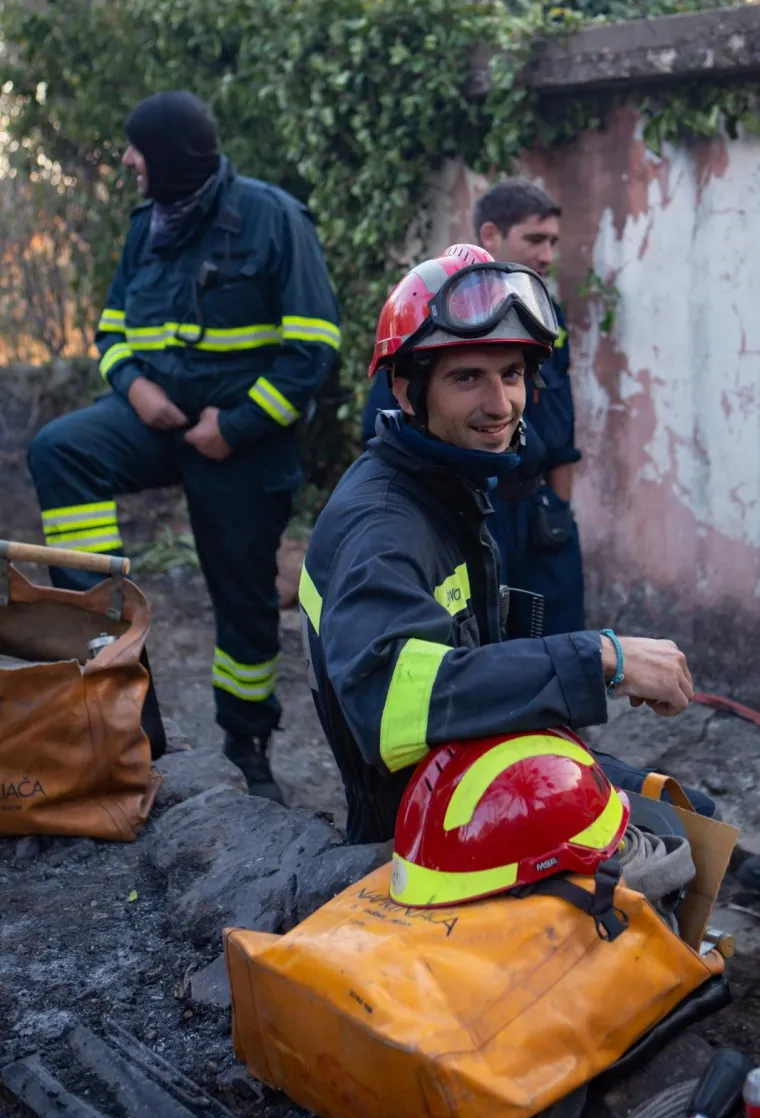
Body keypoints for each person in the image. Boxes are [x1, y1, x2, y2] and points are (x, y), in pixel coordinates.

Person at [300, 248, 714, 844]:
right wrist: (600, 655)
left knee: (690, 815)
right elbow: (390, 705)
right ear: (408, 390)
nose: (499, 405)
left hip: (473, 774)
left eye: (512, 374)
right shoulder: (384, 525)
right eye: (467, 377)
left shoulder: (441, 490)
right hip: (430, 830)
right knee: (677, 842)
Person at [27, 91, 341, 802]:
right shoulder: (149, 224)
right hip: (157, 420)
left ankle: (247, 745)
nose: (130, 160)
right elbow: (111, 328)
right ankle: (117, 673)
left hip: (243, 438)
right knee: (60, 449)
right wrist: (134, 389)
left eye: (138, 148)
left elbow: (314, 346)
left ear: (171, 154)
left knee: (244, 601)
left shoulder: (272, 218)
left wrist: (233, 427)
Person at [361, 179, 583, 634]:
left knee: (557, 643)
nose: (547, 256)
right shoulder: (430, 319)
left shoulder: (545, 318)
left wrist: (559, 510)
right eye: (534, 239)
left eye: (512, 373)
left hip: (537, 516)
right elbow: (388, 436)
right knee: (482, 646)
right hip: (476, 511)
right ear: (490, 236)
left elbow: (563, 435)